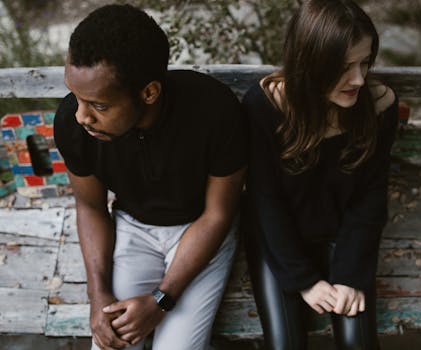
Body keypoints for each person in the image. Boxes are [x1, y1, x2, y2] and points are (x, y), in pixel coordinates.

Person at [53, 4, 247, 350]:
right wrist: (98, 295)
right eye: (76, 98)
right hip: (133, 228)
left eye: (98, 105)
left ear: (149, 92)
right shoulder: (73, 122)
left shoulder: (215, 111)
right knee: (111, 342)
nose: (82, 116)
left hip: (200, 229)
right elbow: (91, 207)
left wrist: (162, 299)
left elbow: (218, 213)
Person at [242, 0, 398, 349]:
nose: (358, 78)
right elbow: (265, 202)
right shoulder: (265, 105)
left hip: (344, 239)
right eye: (344, 67)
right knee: (285, 345)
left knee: (359, 344)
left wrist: (350, 276)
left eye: (365, 62)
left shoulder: (378, 107)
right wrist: (305, 281)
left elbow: (370, 198)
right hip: (279, 244)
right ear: (312, 63)